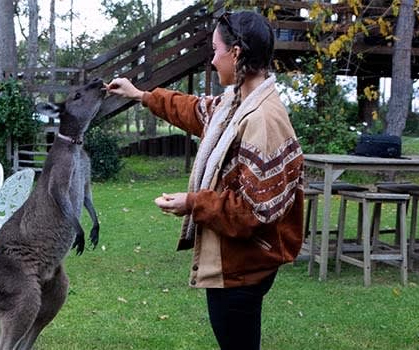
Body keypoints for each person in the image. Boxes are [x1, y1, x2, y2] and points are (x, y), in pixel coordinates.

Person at [106, 10, 304, 350]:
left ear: (236, 53)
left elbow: (252, 211)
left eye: (215, 50)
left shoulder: (262, 118)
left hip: (243, 267)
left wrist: (192, 203)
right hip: (237, 262)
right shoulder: (236, 103)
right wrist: (140, 95)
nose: (213, 60)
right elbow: (195, 110)